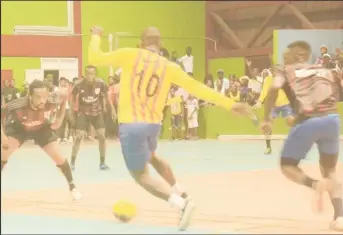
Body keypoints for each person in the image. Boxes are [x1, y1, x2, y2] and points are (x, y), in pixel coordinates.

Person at [88, 25, 253, 230]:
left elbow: (95, 58)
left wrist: (96, 36)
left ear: (140, 44)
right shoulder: (169, 66)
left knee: (141, 176)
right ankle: (181, 191)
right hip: (154, 125)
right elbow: (197, 88)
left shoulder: (130, 54)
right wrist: (229, 104)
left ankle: (181, 204)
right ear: (161, 45)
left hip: (132, 124)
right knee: (152, 157)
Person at [261, 41, 342, 231]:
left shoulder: (285, 69)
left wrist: (267, 119)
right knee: (330, 171)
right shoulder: (324, 69)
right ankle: (340, 217)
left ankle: (315, 185)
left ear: (299, 55)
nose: (284, 57)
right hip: (332, 120)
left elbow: (274, 89)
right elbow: (321, 97)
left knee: (287, 165)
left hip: (309, 121)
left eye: (287, 53)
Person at [1, 80, 82, 200]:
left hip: (41, 129)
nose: (42, 101)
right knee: (3, 155)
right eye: (38, 97)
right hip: (19, 129)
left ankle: (72, 187)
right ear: (30, 95)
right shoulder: (17, 104)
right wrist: (2, 136)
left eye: (45, 97)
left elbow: (65, 98)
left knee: (59, 157)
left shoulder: (52, 99)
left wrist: (60, 119)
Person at [70, 66, 116, 171]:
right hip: (83, 113)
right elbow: (72, 98)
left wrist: (112, 109)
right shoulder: (78, 84)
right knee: (78, 137)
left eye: (92, 73)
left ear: (95, 74)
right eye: (88, 73)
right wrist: (72, 112)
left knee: (102, 136)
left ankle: (102, 163)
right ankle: (72, 163)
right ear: (85, 74)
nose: (90, 75)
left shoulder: (101, 83)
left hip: (97, 113)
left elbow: (107, 97)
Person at [254, 68, 294, 155]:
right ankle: (268, 147)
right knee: (268, 125)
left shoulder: (285, 79)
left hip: (285, 104)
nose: (277, 72)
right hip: (274, 106)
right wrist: (260, 101)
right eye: (275, 70)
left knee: (291, 122)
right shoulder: (268, 80)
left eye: (279, 70)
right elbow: (264, 91)